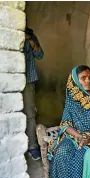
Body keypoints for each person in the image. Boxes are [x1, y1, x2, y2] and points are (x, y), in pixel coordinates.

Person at [47, 65, 90, 178]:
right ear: (75, 81)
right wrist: (80, 137)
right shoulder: (73, 99)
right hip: (75, 137)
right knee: (61, 153)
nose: (88, 81)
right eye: (83, 78)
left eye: (89, 77)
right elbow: (66, 124)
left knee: (81, 157)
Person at [23, 26, 44, 160]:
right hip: (9, 80)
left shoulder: (31, 36)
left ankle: (32, 146)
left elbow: (40, 55)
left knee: (30, 114)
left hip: (28, 81)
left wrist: (30, 40)